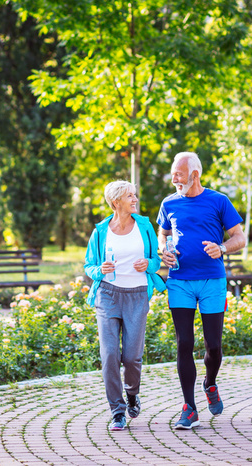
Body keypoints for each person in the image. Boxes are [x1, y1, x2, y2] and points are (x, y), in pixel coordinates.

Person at [156, 152, 246, 430]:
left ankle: (210, 383)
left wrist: (221, 248)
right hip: (180, 280)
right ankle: (189, 407)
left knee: (213, 347)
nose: (174, 179)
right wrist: (163, 250)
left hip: (211, 281)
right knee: (184, 343)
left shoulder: (219, 201)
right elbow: (163, 235)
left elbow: (239, 238)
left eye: (179, 174)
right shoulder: (169, 202)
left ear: (195, 175)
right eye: (173, 173)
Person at [84, 180, 166, 431]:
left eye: (134, 195)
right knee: (109, 356)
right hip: (107, 295)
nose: (135, 199)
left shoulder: (144, 225)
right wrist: (99, 270)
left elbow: (155, 260)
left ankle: (132, 394)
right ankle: (117, 411)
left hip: (137, 294)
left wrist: (148, 265)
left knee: (131, 357)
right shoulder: (100, 231)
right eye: (129, 196)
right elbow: (89, 265)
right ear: (115, 202)